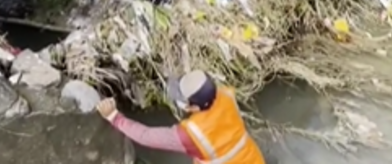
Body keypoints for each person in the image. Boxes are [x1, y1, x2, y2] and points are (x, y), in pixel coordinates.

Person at [96, 70, 266, 164]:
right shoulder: (225, 95)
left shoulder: (191, 134)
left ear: (193, 107)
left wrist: (114, 116)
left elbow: (146, 136)